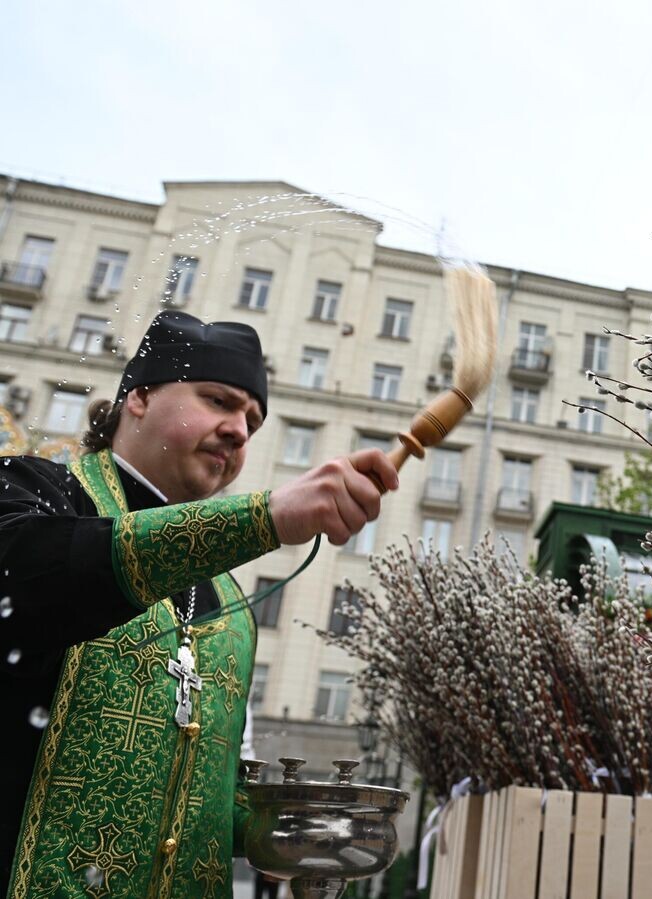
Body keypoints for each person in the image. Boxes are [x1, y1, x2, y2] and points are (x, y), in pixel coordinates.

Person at [0, 311, 399, 898]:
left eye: (252, 420)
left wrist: (303, 840)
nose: (240, 430)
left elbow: (206, 807)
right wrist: (263, 518)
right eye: (219, 401)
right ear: (138, 397)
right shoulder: (36, 492)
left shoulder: (233, 603)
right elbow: (34, 574)